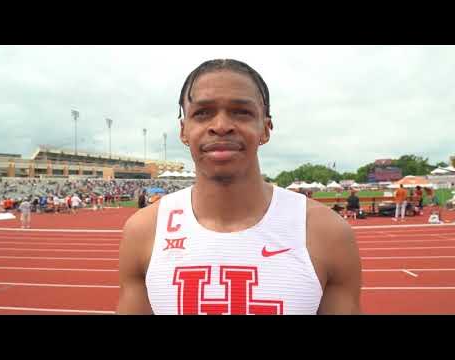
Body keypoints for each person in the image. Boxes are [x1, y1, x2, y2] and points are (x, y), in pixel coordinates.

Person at [117, 59, 361, 315]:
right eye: (202, 113)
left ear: (265, 129)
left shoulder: (328, 233)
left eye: (241, 112)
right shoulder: (144, 232)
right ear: (183, 130)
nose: (221, 126)